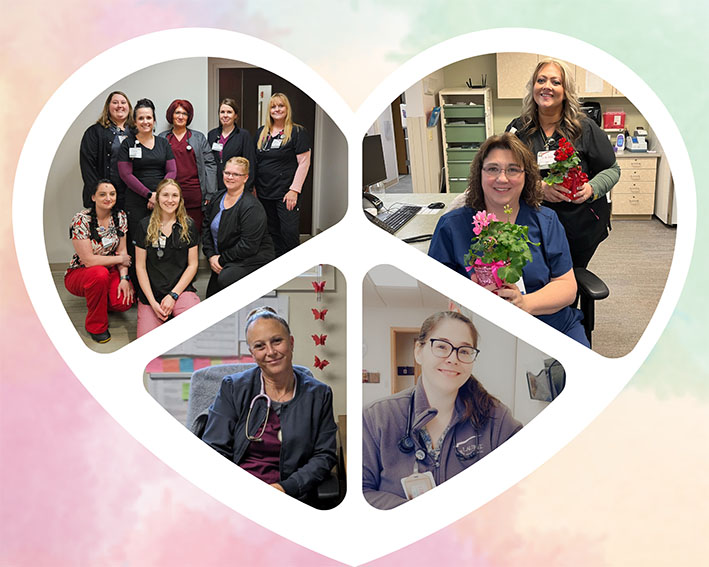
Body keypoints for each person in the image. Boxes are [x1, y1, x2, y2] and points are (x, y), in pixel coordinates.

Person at [428, 133, 589, 346]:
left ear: (527, 176)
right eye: (492, 169)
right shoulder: (452, 226)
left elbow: (567, 287)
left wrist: (524, 303)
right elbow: (434, 293)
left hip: (550, 324)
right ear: (480, 174)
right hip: (481, 329)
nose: (502, 178)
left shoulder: (546, 221)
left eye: (513, 169)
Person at [363, 311, 522, 510]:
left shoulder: (497, 419)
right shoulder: (377, 417)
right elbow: (362, 491)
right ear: (418, 351)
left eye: (464, 351)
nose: (452, 358)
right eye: (441, 346)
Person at [202, 307, 338, 502]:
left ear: (290, 343)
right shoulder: (233, 388)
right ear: (252, 353)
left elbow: (324, 455)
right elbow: (214, 449)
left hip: (291, 493)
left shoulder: (319, 394)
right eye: (260, 346)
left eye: (277, 341)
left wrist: (286, 488)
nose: (271, 352)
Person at [506, 58, 620, 268]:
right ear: (533, 87)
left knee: (570, 278)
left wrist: (592, 188)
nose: (547, 86)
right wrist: (538, 187)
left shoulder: (584, 128)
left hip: (580, 225)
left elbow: (612, 170)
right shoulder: (518, 129)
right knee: (537, 276)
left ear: (566, 90)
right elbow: (505, 174)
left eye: (555, 82)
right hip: (532, 224)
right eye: (541, 80)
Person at [64, 180, 134, 343]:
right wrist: (120, 259)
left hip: (110, 270)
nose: (108, 198)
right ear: (93, 197)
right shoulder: (81, 220)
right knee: (99, 274)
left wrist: (124, 278)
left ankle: (100, 299)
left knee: (123, 303)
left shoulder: (120, 216)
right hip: (82, 272)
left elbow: (122, 250)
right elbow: (88, 261)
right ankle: (96, 326)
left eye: (112, 194)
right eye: (102, 194)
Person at [134, 179, 200, 338]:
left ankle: (173, 313)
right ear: (157, 199)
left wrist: (173, 295)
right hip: (152, 293)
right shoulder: (145, 225)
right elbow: (140, 267)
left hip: (180, 291)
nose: (170, 200)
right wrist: (152, 301)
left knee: (196, 331)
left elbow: (193, 265)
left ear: (180, 200)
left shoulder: (188, 225)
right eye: (165, 195)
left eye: (174, 195)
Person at [202, 157, 275, 298]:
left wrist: (221, 260)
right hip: (223, 257)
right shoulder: (217, 197)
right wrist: (211, 256)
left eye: (236, 174)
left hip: (251, 258)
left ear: (245, 178)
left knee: (226, 279)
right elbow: (206, 228)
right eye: (227, 173)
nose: (230, 177)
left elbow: (248, 246)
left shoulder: (251, 206)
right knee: (211, 296)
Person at [254, 93, 311, 257]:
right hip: (264, 192)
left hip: (286, 193)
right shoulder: (261, 133)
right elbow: (257, 162)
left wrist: (294, 190)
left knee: (289, 231)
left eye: (281, 106)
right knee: (271, 231)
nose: (277, 109)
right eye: (273, 106)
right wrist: (254, 188)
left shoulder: (297, 132)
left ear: (287, 109)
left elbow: (304, 162)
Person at [117, 98, 177, 244]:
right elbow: (125, 174)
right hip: (137, 201)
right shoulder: (128, 144)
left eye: (149, 117)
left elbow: (172, 171)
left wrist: (158, 195)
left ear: (154, 120)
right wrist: (148, 195)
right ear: (135, 121)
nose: (145, 121)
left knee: (161, 240)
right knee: (139, 241)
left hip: (162, 200)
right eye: (141, 118)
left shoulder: (163, 143)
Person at [158, 99, 217, 230]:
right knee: (171, 231)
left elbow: (210, 165)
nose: (180, 116)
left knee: (194, 233)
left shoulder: (198, 138)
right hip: (170, 195)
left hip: (195, 194)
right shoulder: (162, 138)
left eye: (184, 113)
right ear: (171, 115)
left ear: (189, 117)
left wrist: (210, 193)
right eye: (177, 112)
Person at [79, 90, 135, 210]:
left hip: (131, 196)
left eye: (123, 102)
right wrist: (99, 192)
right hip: (105, 197)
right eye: (115, 102)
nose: (119, 105)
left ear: (129, 107)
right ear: (108, 107)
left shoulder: (137, 132)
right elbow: (87, 165)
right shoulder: (94, 132)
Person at [207, 98, 257, 193]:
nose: (225, 115)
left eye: (229, 112)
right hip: (216, 186)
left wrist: (247, 188)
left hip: (237, 186)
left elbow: (250, 163)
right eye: (222, 112)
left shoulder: (243, 135)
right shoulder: (212, 135)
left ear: (235, 115)